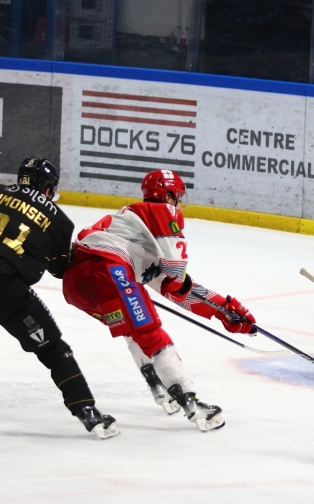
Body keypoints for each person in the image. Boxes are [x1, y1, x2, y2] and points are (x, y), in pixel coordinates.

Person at [62, 169, 256, 432]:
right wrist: (224, 309)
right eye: (176, 196)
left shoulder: (131, 229)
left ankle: (158, 385)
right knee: (150, 332)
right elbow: (176, 272)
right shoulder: (162, 210)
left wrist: (222, 310)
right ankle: (192, 404)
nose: (177, 202)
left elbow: (172, 287)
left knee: (133, 327)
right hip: (110, 271)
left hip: (77, 287)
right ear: (166, 194)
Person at [0, 158, 118, 438]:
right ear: (48, 188)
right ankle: (86, 411)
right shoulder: (59, 220)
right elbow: (58, 268)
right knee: (54, 349)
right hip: (9, 291)